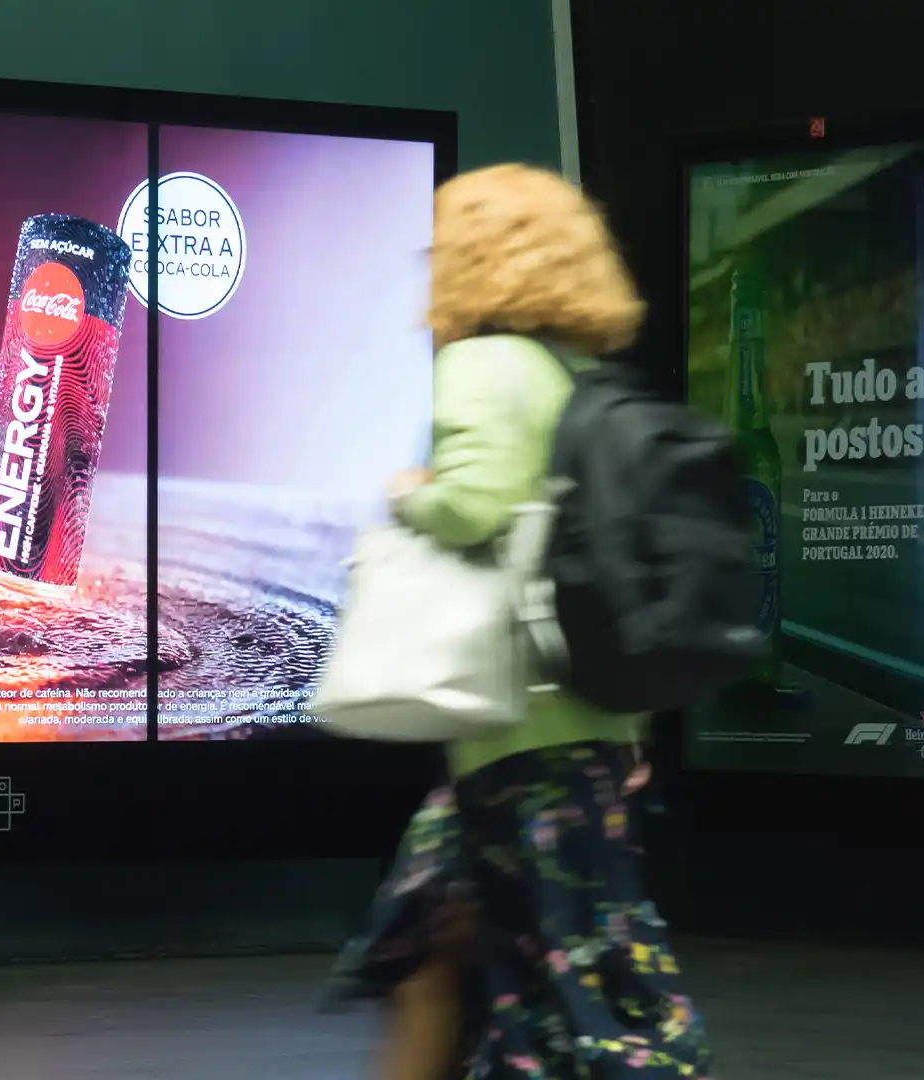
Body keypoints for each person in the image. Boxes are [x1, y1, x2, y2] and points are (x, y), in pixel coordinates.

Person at [362, 163, 713, 1080]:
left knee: (561, 981)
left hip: (514, 734)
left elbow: (474, 505)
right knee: (446, 944)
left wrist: (411, 496)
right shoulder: (582, 378)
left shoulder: (481, 365)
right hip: (585, 720)